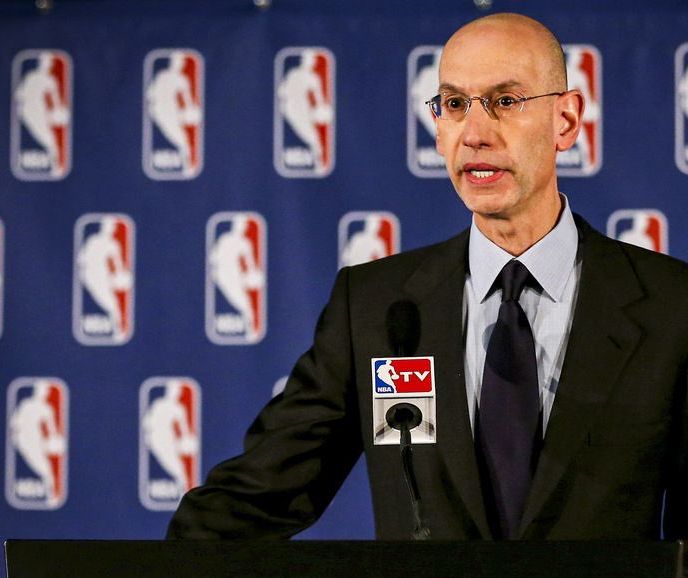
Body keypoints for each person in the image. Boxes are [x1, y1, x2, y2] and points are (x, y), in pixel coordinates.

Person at [168, 13, 688, 541]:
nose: (476, 135)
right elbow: (258, 497)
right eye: (455, 104)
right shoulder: (375, 308)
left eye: (506, 101)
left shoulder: (673, 306)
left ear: (566, 120)